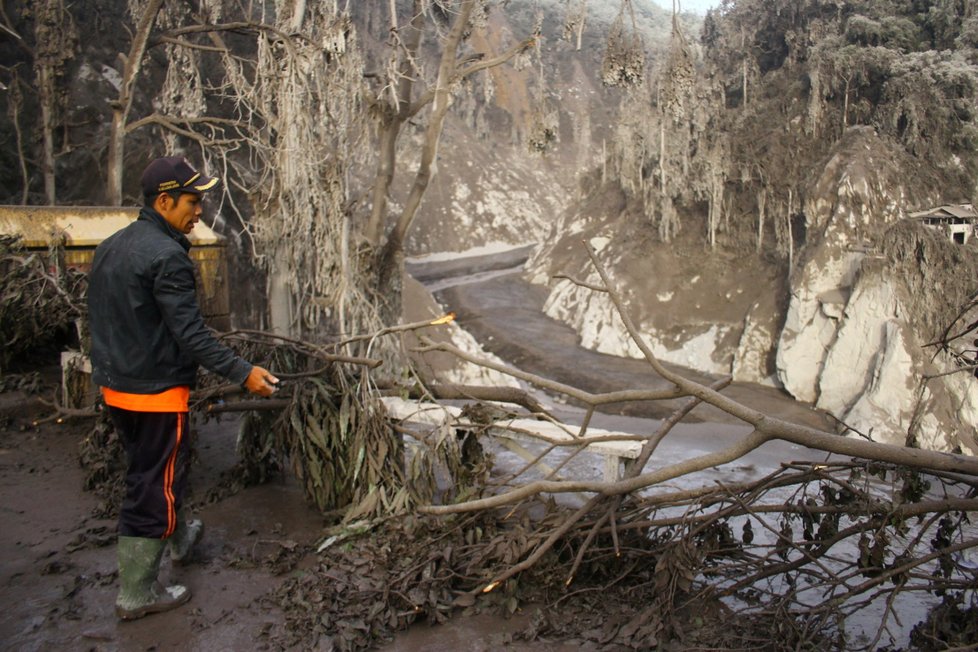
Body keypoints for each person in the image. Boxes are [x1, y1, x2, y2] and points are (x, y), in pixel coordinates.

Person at [87, 155, 279, 620]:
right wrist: (242, 371)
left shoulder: (112, 246)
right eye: (193, 202)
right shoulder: (167, 256)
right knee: (154, 485)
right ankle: (137, 593)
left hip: (117, 387)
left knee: (157, 468)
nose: (200, 212)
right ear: (165, 200)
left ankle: (176, 538)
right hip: (155, 393)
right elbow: (190, 334)